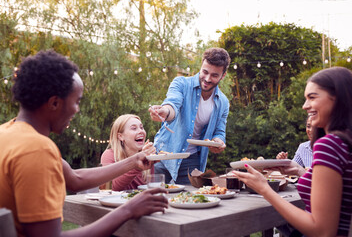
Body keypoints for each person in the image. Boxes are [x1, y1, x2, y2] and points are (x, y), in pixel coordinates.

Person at [0, 50, 168, 237]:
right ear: (54, 103)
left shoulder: (2, 134)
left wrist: (134, 161)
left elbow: (75, 179)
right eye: (76, 102)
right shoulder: (36, 150)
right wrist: (127, 210)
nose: (77, 110)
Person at [234, 67, 352, 236]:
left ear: (337, 98)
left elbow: (322, 231)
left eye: (312, 97)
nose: (305, 106)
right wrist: (298, 170)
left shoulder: (329, 145)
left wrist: (264, 188)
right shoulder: (345, 142)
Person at [149, 47, 231, 184]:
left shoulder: (223, 102)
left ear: (223, 75)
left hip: (191, 160)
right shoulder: (181, 83)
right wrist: (165, 112)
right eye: (205, 72)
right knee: (155, 200)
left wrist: (218, 142)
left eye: (214, 75)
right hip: (164, 154)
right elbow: (172, 105)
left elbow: (219, 132)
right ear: (201, 66)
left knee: (187, 200)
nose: (207, 79)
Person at [100, 114, 156, 190]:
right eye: (134, 128)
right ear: (120, 136)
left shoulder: (148, 156)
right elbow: (114, 187)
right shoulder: (110, 155)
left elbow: (151, 188)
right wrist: (137, 164)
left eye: (141, 127)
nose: (141, 131)